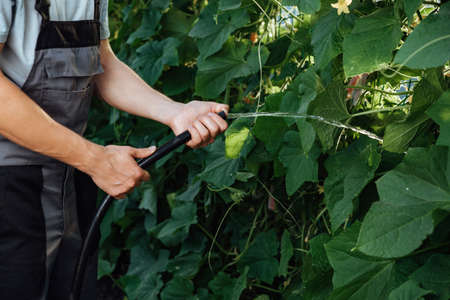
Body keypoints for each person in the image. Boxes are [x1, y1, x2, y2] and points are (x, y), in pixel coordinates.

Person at [0, 1, 228, 299]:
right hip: (9, 186)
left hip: (66, 175)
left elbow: (101, 62)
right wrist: (93, 159)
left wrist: (174, 112)